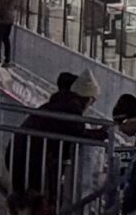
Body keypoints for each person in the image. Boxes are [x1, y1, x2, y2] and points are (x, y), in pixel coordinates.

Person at [9, 70, 95, 215]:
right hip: (35, 161)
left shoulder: (54, 104)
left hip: (19, 155)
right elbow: (76, 133)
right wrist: (98, 135)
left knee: (24, 202)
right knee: (38, 203)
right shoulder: (71, 108)